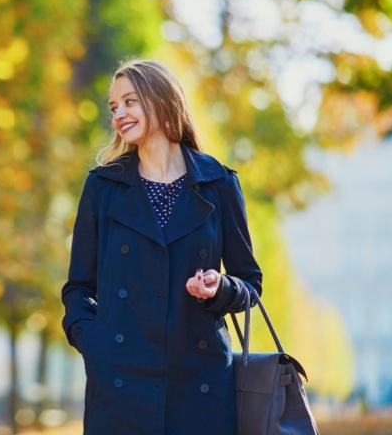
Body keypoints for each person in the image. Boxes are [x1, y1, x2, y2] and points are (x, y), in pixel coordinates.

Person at [61, 60, 262, 434]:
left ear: (162, 100)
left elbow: (250, 283)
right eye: (114, 107)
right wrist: (95, 345)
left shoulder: (218, 183)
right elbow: (78, 288)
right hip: (120, 384)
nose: (119, 113)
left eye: (129, 101)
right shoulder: (103, 187)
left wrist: (221, 288)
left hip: (200, 384)